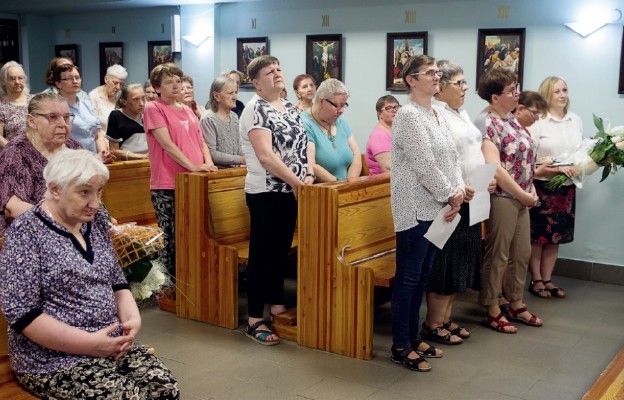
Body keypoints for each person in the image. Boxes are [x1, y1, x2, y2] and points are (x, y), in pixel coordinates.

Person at [0, 149, 179, 399]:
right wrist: (90, 344)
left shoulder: (93, 222)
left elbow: (116, 280)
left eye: (99, 191)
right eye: (84, 192)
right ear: (55, 190)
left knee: (166, 390)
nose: (95, 203)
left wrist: (132, 320)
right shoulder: (26, 232)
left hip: (111, 341)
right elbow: (22, 313)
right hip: (53, 358)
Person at [390, 55, 464, 371]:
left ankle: (414, 336)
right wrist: (451, 194)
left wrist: (457, 190)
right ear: (411, 80)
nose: (437, 76)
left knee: (423, 275)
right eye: (430, 73)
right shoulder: (407, 116)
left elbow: (453, 158)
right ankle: (400, 345)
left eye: (437, 72)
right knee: (408, 278)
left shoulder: (438, 113)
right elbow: (424, 165)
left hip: (439, 207)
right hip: (414, 208)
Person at [240, 55, 314, 345]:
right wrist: (297, 182)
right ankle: (255, 317)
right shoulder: (254, 109)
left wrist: (307, 173)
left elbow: (305, 142)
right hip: (266, 192)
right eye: (269, 72)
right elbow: (266, 156)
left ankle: (276, 302)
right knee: (262, 253)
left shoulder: (288, 107)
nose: (277, 74)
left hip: (291, 190)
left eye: (279, 69)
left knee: (280, 251)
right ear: (256, 83)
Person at [474, 68, 543, 333]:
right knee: (498, 254)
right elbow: (496, 167)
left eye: (517, 88)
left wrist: (531, 189)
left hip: (523, 196)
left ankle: (516, 301)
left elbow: (525, 160)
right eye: (511, 90)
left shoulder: (512, 119)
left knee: (521, 252)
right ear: (495, 97)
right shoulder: (487, 122)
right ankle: (492, 307)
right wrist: (521, 193)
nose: (517, 94)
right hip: (502, 197)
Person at [143, 63, 217, 280]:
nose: (176, 85)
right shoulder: (153, 108)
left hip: (193, 181)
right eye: (168, 82)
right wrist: (192, 166)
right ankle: (168, 286)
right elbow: (166, 144)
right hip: (167, 182)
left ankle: (190, 279)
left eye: (178, 80)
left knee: (191, 235)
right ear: (157, 88)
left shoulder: (186, 109)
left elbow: (200, 141)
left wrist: (208, 163)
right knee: (171, 237)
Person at [527, 77, 583, 299]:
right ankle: (536, 280)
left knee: (555, 237)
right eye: (556, 91)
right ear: (546, 95)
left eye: (564, 90)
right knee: (538, 237)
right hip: (543, 186)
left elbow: (580, 151)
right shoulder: (538, 121)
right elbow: (530, 159)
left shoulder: (575, 120)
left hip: (566, 186)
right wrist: (553, 168)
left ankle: (548, 279)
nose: (562, 95)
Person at [0, 92, 82, 235]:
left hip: (74, 229)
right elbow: (13, 207)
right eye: (53, 117)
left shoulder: (74, 148)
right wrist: (59, 222)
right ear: (32, 121)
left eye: (67, 117)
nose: (63, 124)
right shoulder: (16, 152)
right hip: (29, 234)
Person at [301, 78, 361, 181]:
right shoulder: (304, 123)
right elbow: (312, 164)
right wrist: (338, 186)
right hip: (323, 191)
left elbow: (356, 154)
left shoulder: (340, 121)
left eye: (344, 105)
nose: (341, 111)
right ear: (321, 101)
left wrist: (350, 184)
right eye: (337, 106)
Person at [52, 64, 114, 162]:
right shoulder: (54, 108)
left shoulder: (87, 104)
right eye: (69, 78)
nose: (75, 81)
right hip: (71, 162)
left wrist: (103, 153)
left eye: (77, 77)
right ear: (58, 83)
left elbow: (98, 134)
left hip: (94, 161)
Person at [200, 76, 244, 168]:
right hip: (218, 174)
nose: (235, 97)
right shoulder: (208, 119)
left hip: (236, 172)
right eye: (230, 93)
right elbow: (212, 153)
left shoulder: (234, 117)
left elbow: (239, 147)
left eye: (236, 92)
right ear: (216, 96)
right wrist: (240, 159)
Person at [106, 83, 149, 160]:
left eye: (143, 98)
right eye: (136, 99)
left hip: (149, 162)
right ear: (124, 102)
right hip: (126, 164)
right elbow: (113, 150)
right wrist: (140, 156)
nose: (141, 103)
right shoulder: (116, 116)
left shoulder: (149, 114)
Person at [0, 61, 33, 149]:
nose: (17, 82)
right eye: (12, 78)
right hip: (12, 155)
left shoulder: (35, 101)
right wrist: (16, 150)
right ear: (3, 81)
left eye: (20, 78)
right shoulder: (1, 105)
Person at [364, 95, 399, 175]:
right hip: (382, 184)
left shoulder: (395, 131)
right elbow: (388, 169)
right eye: (389, 108)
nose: (394, 111)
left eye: (396, 107)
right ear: (379, 113)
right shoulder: (379, 136)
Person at [89, 64, 128, 133]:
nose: (118, 87)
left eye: (121, 84)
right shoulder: (93, 96)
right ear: (106, 79)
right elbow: (93, 126)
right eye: (115, 83)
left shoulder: (120, 95)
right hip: (101, 139)